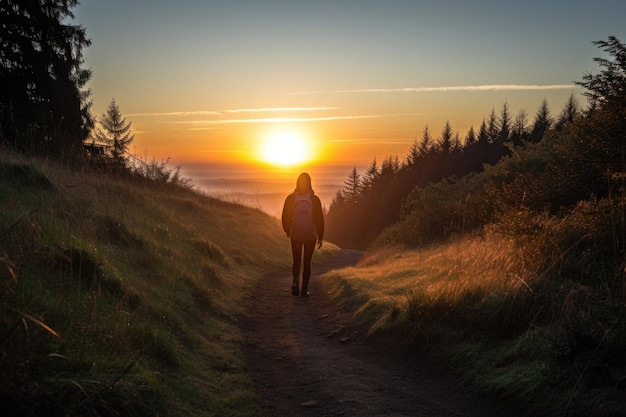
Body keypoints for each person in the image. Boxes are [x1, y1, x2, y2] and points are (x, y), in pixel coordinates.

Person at [281, 172, 324, 297]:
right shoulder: (315, 200)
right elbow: (320, 219)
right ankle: (304, 290)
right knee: (307, 261)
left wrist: (287, 230)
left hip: (295, 234)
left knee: (296, 259)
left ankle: (295, 282)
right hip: (310, 235)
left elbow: (285, 216)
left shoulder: (291, 199)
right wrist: (320, 236)